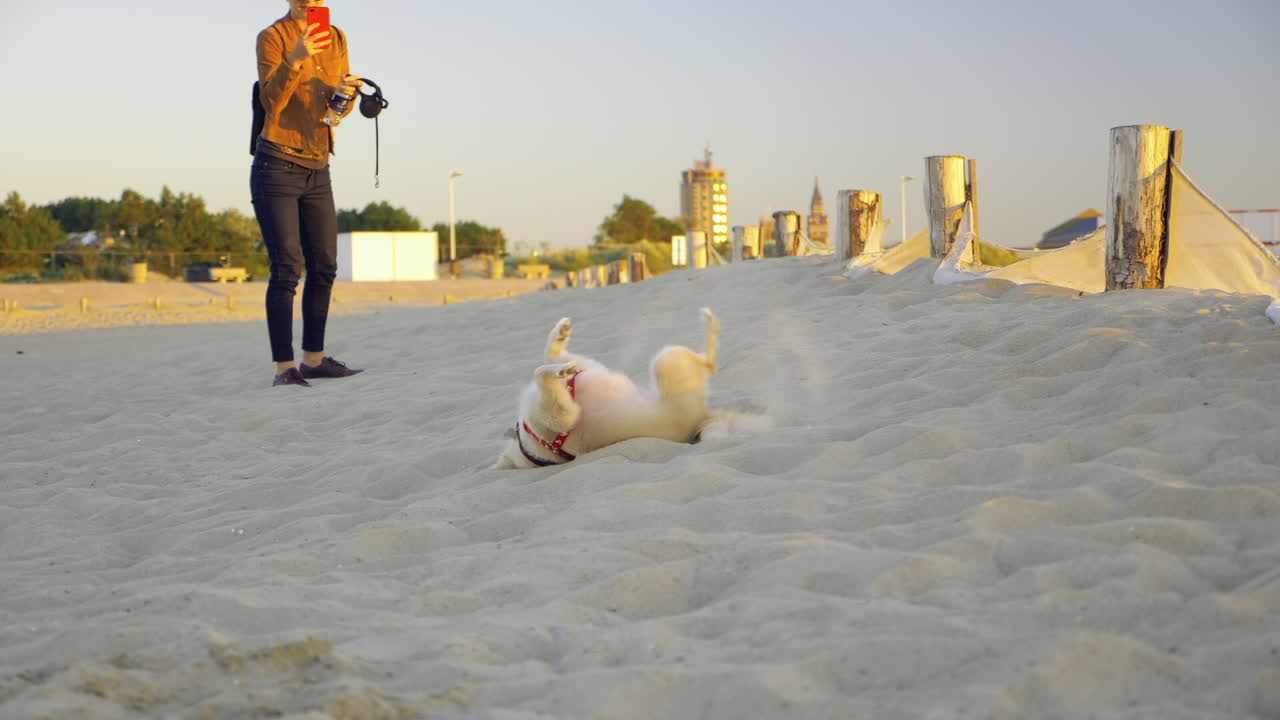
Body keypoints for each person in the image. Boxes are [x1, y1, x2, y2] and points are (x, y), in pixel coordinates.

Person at [252, 0, 364, 387]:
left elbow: (334, 114)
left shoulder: (337, 38)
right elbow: (271, 102)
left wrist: (344, 97)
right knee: (286, 268)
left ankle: (314, 360)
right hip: (277, 163)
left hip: (318, 165)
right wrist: (296, 57)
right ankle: (285, 369)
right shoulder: (273, 37)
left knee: (325, 266)